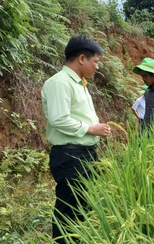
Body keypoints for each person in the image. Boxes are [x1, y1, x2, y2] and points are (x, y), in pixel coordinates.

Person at [41, 35, 111, 243]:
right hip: (70, 155)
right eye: (96, 62)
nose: (97, 67)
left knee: (82, 206)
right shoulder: (60, 83)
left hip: (84, 154)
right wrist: (90, 128)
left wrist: (95, 129)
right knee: (68, 209)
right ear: (82, 58)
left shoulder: (80, 84)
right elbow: (59, 119)